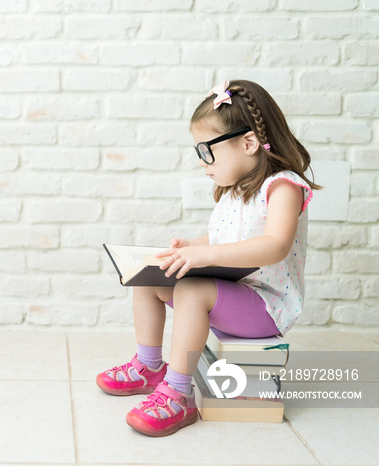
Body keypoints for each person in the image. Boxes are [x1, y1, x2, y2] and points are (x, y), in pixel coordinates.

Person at [96, 80, 321, 437]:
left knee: (191, 292)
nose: (203, 163)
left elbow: (275, 244)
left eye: (206, 151)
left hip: (266, 306)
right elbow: (224, 240)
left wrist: (206, 254)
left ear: (248, 143)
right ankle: (149, 366)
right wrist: (190, 247)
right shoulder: (236, 191)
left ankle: (177, 394)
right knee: (150, 275)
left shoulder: (283, 186)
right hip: (233, 295)